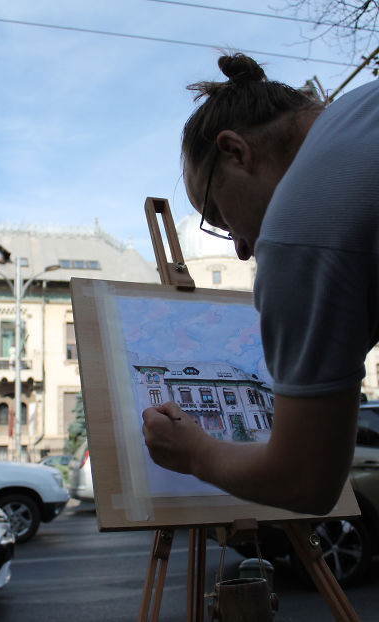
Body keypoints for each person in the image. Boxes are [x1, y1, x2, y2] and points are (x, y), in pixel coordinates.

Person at [142, 53, 379, 516]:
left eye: (220, 218)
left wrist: (195, 453)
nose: (241, 248)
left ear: (236, 151)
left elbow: (305, 481)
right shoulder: (360, 108)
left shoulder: (297, 230)